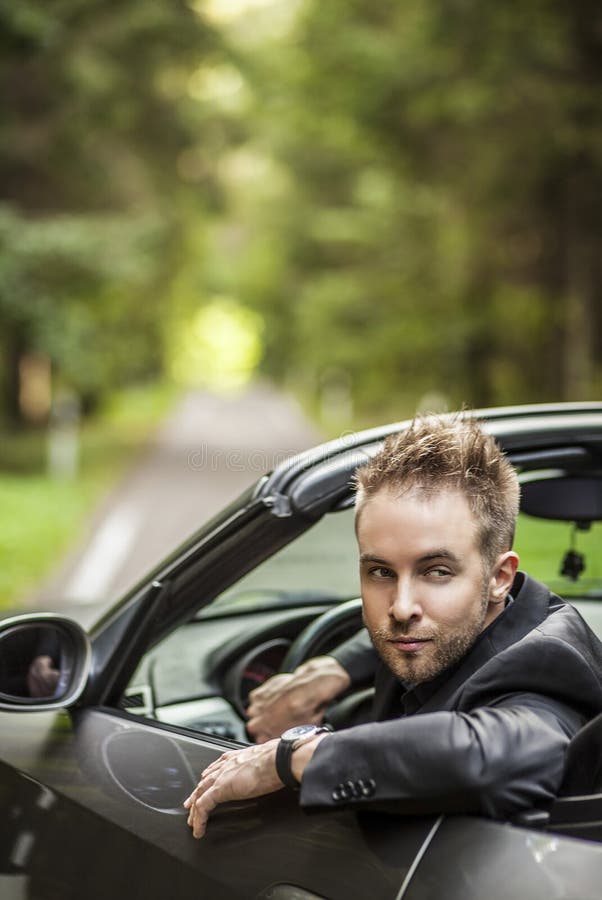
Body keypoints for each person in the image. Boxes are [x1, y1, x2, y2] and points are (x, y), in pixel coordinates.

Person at [184, 415, 602, 839]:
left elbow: (495, 755)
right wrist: (338, 668)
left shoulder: (548, 665)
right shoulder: (455, 624)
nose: (401, 609)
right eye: (381, 572)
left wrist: (291, 757)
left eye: (437, 571)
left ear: (499, 577)